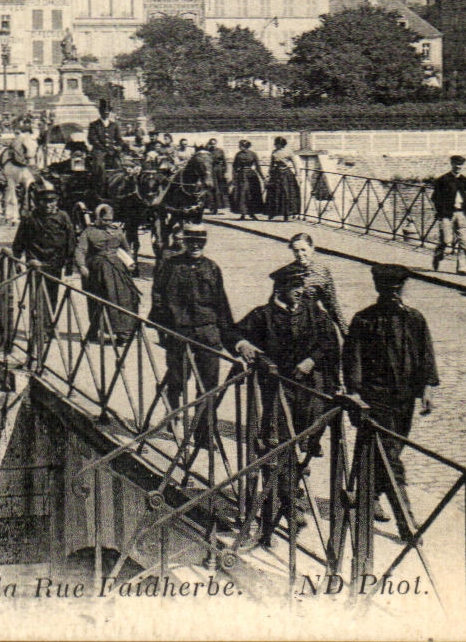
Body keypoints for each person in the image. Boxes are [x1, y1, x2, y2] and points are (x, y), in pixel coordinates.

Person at [233, 259, 342, 541]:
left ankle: (291, 488)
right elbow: (234, 331)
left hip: (310, 391)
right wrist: (243, 344)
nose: (300, 291)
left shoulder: (312, 312)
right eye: (294, 286)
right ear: (280, 289)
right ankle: (290, 501)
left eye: (301, 286)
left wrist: (311, 360)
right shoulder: (264, 316)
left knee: (307, 441)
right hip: (278, 392)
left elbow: (330, 342)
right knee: (283, 444)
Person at [343, 263, 439, 530]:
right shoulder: (364, 320)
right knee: (390, 457)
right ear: (378, 289)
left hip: (404, 399)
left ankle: (368, 495)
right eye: (389, 290)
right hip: (376, 399)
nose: (394, 295)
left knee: (389, 449)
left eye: (398, 289)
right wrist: (354, 396)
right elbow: (353, 361)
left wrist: (427, 390)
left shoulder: (414, 319)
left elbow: (425, 356)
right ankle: (406, 521)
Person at [148, 225, 239, 447]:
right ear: (184, 243)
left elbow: (221, 303)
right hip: (180, 332)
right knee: (179, 377)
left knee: (209, 384)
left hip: (208, 333)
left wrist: (229, 335)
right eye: (191, 242)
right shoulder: (171, 266)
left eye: (200, 243)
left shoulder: (212, 268)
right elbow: (158, 296)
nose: (196, 247)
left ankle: (204, 434)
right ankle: (172, 409)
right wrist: (164, 329)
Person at [10, 183, 78, 370]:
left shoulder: (63, 217)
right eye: (45, 202)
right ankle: (38, 330)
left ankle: (47, 328)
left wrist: (70, 268)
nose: (49, 205)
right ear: (38, 202)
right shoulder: (30, 219)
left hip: (55, 264)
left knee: (53, 299)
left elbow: (71, 242)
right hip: (36, 265)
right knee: (37, 297)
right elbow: (20, 241)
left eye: (52, 201)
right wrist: (17, 259)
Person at [76, 202, 140, 344]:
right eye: (105, 220)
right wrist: (81, 265)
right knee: (101, 298)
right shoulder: (89, 232)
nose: (107, 222)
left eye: (110, 220)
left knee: (126, 296)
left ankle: (124, 331)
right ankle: (96, 329)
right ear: (98, 218)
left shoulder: (117, 231)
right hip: (98, 269)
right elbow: (81, 249)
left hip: (118, 268)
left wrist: (130, 262)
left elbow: (127, 248)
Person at [269, 233, 346, 335]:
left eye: (303, 250)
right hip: (289, 324)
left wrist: (345, 331)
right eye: (296, 251)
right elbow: (274, 303)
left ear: (312, 249)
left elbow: (331, 304)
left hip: (314, 323)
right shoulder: (284, 273)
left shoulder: (322, 273)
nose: (300, 254)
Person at [430, 155, 466, 275]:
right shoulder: (443, 179)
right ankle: (438, 253)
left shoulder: (464, 180)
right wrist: (441, 212)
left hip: (461, 214)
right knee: (446, 240)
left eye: (460, 164)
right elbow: (435, 198)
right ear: (451, 164)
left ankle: (462, 267)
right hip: (447, 214)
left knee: (464, 241)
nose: (458, 167)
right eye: (455, 164)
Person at [264, 137, 301, 220]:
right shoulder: (274, 152)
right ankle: (272, 212)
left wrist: (298, 175)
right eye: (275, 144)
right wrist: (268, 174)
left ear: (281, 144)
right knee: (274, 193)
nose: (275, 145)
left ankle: (286, 214)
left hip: (286, 174)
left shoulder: (289, 152)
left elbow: (295, 164)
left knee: (286, 193)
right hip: (276, 174)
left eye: (276, 144)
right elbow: (271, 164)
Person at [230, 140, 266, 219]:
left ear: (245, 146)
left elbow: (258, 167)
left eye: (241, 145)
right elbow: (234, 167)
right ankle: (243, 213)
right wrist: (233, 178)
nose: (239, 147)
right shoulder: (238, 155)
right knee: (242, 194)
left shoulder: (253, 154)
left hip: (251, 176)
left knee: (252, 194)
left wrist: (263, 178)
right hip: (242, 175)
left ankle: (252, 213)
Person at [206, 139, 228, 215]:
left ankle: (220, 207)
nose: (213, 145)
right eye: (211, 144)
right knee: (211, 189)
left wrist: (226, 172)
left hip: (219, 171)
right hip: (211, 171)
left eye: (214, 144)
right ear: (209, 144)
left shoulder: (220, 151)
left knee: (220, 189)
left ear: (216, 144)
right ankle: (212, 208)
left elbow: (224, 161)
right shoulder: (207, 151)